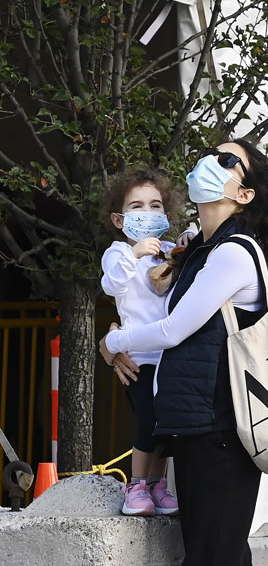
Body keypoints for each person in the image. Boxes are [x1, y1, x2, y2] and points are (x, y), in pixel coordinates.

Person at [101, 140, 268, 566]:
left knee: (207, 562)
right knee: (229, 557)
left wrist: (112, 343)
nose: (212, 160)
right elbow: (144, 300)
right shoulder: (199, 247)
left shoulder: (232, 253)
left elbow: (173, 329)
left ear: (244, 192)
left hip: (222, 428)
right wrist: (120, 341)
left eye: (228, 161)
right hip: (198, 423)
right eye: (211, 153)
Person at [100, 170, 181, 518]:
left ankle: (158, 486)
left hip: (172, 355)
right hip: (139, 358)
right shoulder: (118, 253)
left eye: (155, 205)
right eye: (137, 206)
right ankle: (136, 486)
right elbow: (110, 285)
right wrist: (134, 253)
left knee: (168, 424)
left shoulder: (168, 252)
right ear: (119, 219)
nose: (147, 212)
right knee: (148, 418)